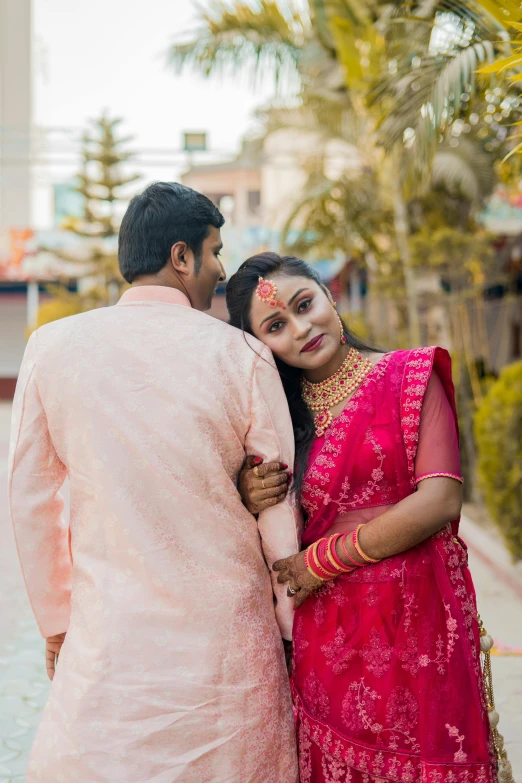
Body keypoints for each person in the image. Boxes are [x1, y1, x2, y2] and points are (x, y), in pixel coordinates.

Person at [8, 185, 300, 783]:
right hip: (229, 653)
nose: (221, 269)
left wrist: (58, 622)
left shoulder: (51, 348)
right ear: (182, 257)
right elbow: (278, 508)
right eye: (215, 251)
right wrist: (295, 628)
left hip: (111, 643)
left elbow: (32, 499)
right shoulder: (241, 354)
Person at [228, 252, 497, 783]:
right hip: (328, 646)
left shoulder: (410, 376)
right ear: (263, 346)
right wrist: (246, 487)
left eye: (305, 304)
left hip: (423, 635)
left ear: (330, 296)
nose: (302, 328)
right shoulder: (274, 420)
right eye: (277, 326)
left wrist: (321, 561)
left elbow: (440, 497)